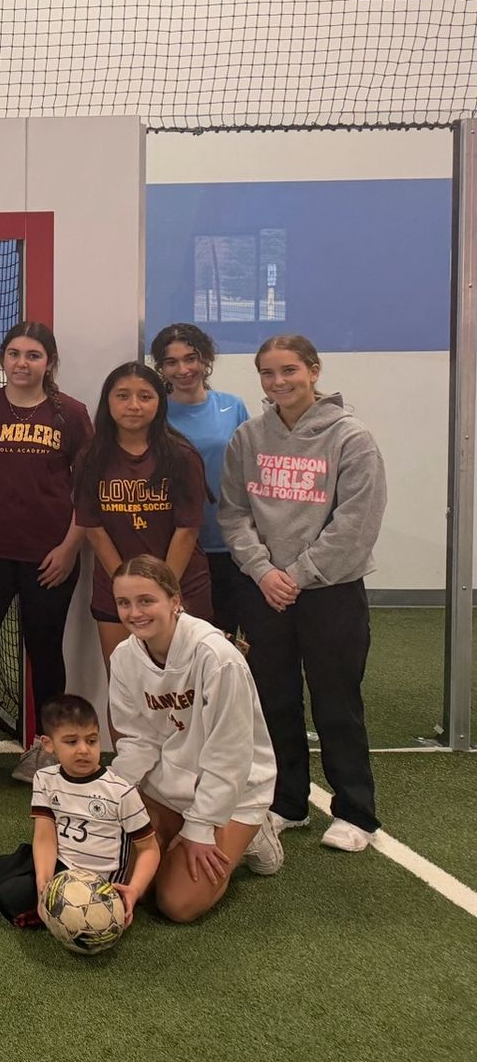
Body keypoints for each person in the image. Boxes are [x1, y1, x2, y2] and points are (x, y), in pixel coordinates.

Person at [219, 334, 387, 853]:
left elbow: (356, 522)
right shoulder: (248, 437)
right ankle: (286, 801)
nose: (278, 382)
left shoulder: (351, 438)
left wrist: (300, 574)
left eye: (289, 370)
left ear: (313, 371)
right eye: (267, 374)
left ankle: (356, 811)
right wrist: (264, 572)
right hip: (265, 591)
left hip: (329, 592)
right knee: (276, 699)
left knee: (337, 701)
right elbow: (232, 512)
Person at [0, 321, 91, 781]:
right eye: (13, 354)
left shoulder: (72, 413)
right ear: (2, 359)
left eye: (33, 355)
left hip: (50, 556)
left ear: (50, 362)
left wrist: (69, 547)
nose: (22, 363)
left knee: (45, 647)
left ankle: (46, 746)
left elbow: (87, 490)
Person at [108, 557, 284, 918]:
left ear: (175, 601)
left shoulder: (218, 657)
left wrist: (202, 826)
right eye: (124, 603)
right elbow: (137, 739)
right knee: (120, 877)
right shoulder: (124, 657)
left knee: (177, 903)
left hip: (235, 791)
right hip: (170, 786)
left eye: (146, 600)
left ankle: (254, 832)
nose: (134, 613)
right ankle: (180, 835)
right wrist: (113, 794)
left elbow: (230, 753)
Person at [0, 694, 160, 927]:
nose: (83, 750)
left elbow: (149, 849)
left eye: (91, 741)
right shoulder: (45, 778)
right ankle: (24, 863)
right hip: (58, 858)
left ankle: (41, 905)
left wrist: (134, 890)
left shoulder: (121, 792)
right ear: (48, 744)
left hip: (92, 882)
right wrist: (43, 882)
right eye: (71, 742)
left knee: (9, 897)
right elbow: (45, 835)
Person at [74, 361, 214, 664]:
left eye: (145, 396)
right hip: (115, 588)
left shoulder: (182, 455)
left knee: (181, 689)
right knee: (125, 688)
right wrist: (128, 592)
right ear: (108, 401)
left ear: (159, 403)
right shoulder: (90, 457)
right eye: (122, 396)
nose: (133, 405)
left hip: (179, 586)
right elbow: (93, 529)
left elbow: (187, 530)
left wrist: (161, 592)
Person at [152, 322, 251, 637]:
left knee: (224, 635)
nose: (183, 369)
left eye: (190, 358)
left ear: (205, 359)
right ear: (162, 367)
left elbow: (250, 470)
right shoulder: (155, 413)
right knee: (178, 637)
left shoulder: (232, 406)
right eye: (171, 361)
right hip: (174, 543)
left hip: (228, 544)